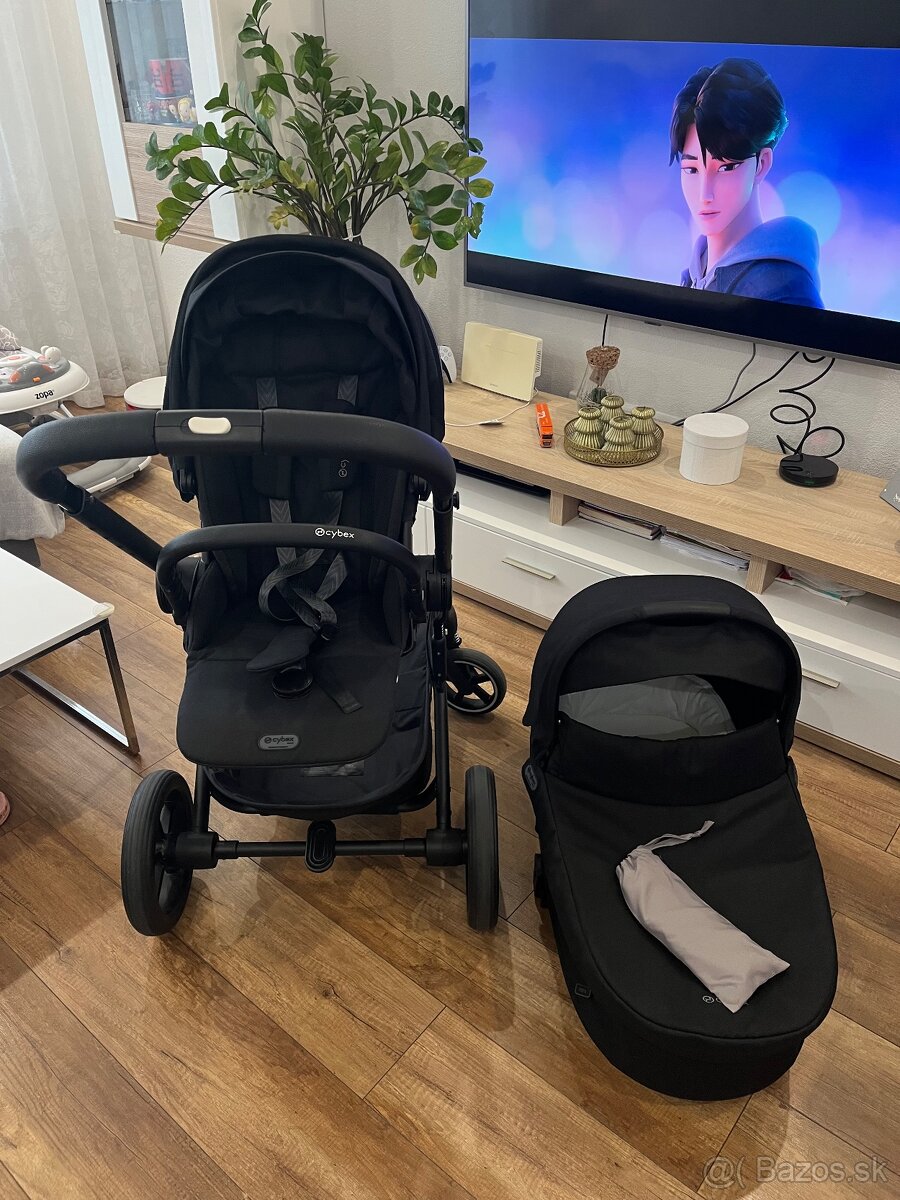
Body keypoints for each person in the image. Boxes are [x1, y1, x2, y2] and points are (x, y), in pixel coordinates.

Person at [670, 58, 824, 307]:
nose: (704, 194)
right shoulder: (696, 272)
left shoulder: (783, 289)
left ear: (761, 164)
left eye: (726, 167)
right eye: (691, 169)